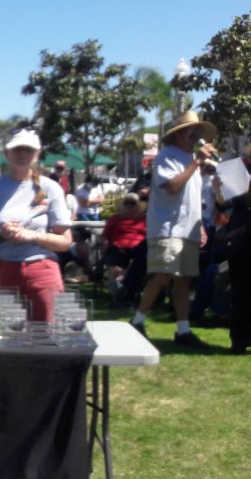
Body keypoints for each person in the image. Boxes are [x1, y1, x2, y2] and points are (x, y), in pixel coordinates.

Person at [130, 111, 218, 346]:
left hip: (187, 229)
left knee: (184, 280)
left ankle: (183, 331)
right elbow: (172, 187)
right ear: (179, 133)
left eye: (197, 130)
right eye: (191, 130)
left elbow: (192, 199)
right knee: (162, 275)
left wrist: (199, 227)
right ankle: (137, 321)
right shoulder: (167, 156)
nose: (195, 134)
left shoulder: (191, 159)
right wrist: (196, 162)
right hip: (168, 227)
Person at [0, 128, 72, 321]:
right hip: (0, 272)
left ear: (37, 154)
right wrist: (1, 234)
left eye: (28, 149)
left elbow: (65, 242)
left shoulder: (51, 188)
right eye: (17, 149)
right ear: (7, 154)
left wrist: (32, 236)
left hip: (42, 271)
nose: (23, 154)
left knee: (48, 338)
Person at [212, 146, 250, 354]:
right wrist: (218, 189)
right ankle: (239, 341)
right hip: (242, 246)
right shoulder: (243, 189)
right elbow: (223, 205)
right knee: (241, 295)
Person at [101, 192, 147, 302]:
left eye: (132, 203)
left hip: (138, 248)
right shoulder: (115, 218)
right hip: (117, 247)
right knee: (116, 268)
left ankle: (126, 290)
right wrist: (104, 247)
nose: (129, 206)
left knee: (140, 261)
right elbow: (105, 236)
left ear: (138, 205)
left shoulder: (145, 219)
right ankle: (119, 292)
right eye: (127, 203)